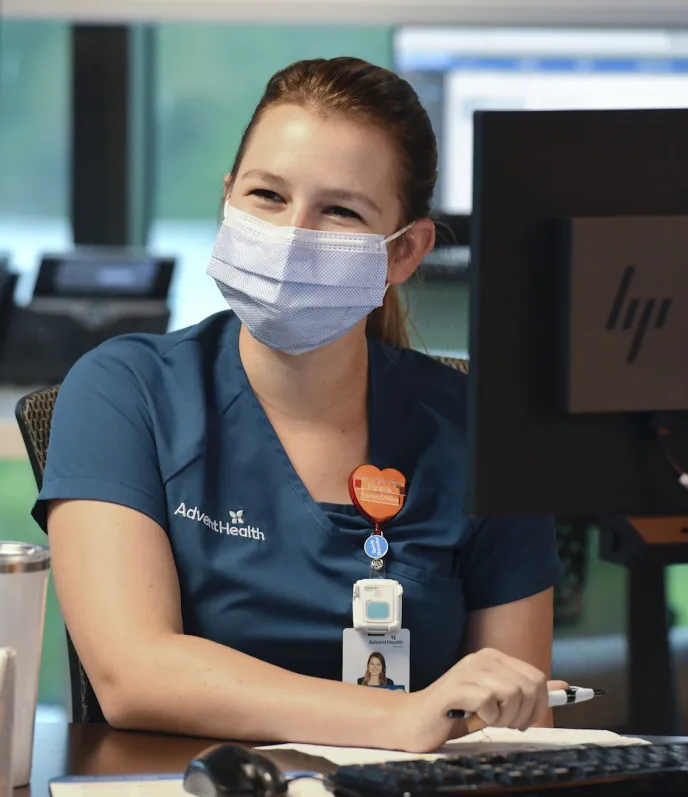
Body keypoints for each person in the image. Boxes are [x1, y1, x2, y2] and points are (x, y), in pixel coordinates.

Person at [35, 56, 567, 754]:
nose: (293, 234)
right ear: (228, 198)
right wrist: (396, 718)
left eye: (340, 210)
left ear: (404, 252)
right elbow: (132, 674)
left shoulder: (479, 430)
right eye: (267, 195)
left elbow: (517, 719)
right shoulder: (124, 390)